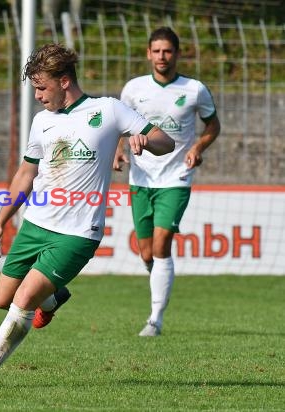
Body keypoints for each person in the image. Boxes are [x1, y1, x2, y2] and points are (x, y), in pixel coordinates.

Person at [0, 43, 175, 388]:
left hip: (78, 232)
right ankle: (54, 298)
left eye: (41, 87)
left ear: (64, 81)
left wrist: (143, 139)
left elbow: (165, 142)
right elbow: (25, 174)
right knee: (2, 299)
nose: (37, 96)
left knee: (22, 302)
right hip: (36, 224)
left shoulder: (109, 110)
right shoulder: (42, 122)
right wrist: (0, 221)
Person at [114, 27, 221, 337]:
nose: (162, 56)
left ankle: (155, 320)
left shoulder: (194, 89)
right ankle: (158, 279)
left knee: (161, 245)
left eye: (168, 51)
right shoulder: (134, 89)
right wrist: (119, 152)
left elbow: (213, 125)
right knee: (146, 252)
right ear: (149, 54)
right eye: (157, 51)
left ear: (177, 54)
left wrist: (197, 148)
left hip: (176, 177)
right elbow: (123, 126)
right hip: (141, 178)